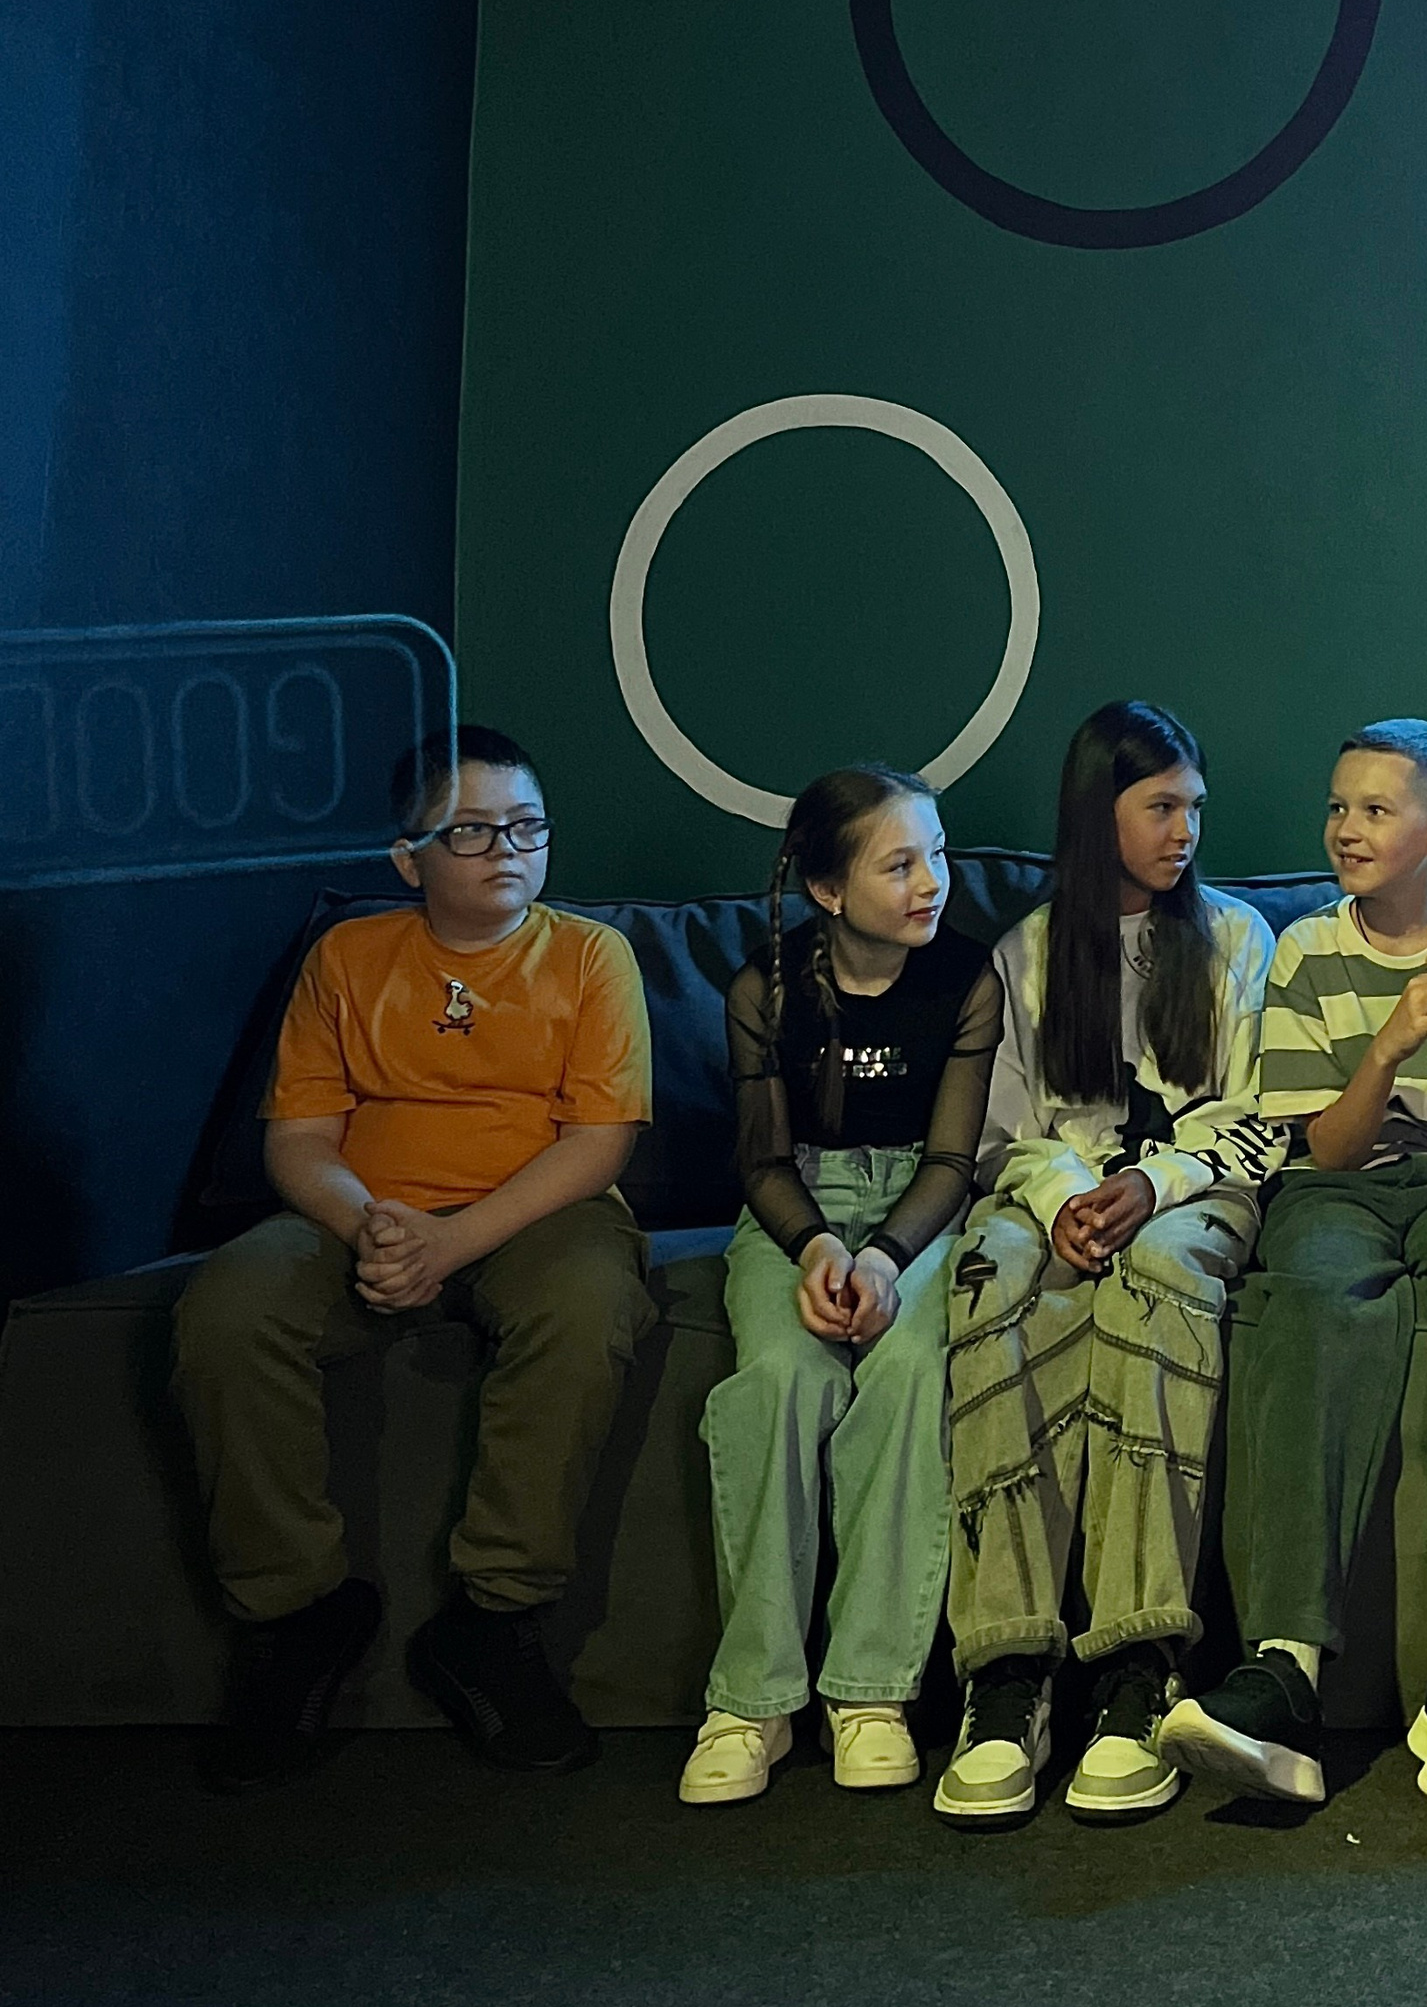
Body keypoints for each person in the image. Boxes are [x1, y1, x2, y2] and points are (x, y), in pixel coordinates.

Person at [173, 725, 653, 1792]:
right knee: (227, 1308)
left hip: (539, 1213)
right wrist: (370, 1227)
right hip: (367, 1214)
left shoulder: (591, 956)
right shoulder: (347, 958)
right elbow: (298, 1140)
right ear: (409, 858)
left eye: (526, 826)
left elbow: (599, 1143)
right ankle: (296, 1614)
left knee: (586, 1304)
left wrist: (452, 1240)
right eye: (472, 831)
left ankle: (495, 1618)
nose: (507, 850)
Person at [1159, 720, 1427, 1822]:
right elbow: (1325, 1150)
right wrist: (1389, 1042)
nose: (1346, 828)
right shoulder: (1304, 950)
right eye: (1339, 806)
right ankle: (1284, 1671)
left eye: (1377, 810)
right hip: (1336, 1186)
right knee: (1310, 1299)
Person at [934, 701, 1279, 1827]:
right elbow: (1001, 1135)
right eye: (1161, 806)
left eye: (1195, 807)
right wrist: (1061, 1201)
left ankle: (1141, 1661)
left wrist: (1151, 1186)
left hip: (1190, 1192)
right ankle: (1007, 1669)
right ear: (1099, 813)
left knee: (1163, 1273)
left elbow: (1258, 1116)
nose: (1186, 830)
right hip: (1056, 1192)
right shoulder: (1026, 951)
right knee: (995, 1272)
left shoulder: (1236, 938)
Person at [678, 767, 1002, 1806]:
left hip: (919, 1209)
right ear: (828, 889)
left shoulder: (967, 977)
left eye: (937, 854)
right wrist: (819, 1248)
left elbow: (953, 1161)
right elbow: (763, 1161)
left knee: (909, 1376)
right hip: (798, 1205)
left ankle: (870, 1692)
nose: (932, 882)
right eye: (900, 864)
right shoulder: (763, 988)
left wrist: (884, 1258)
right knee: (780, 1380)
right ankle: (752, 1701)